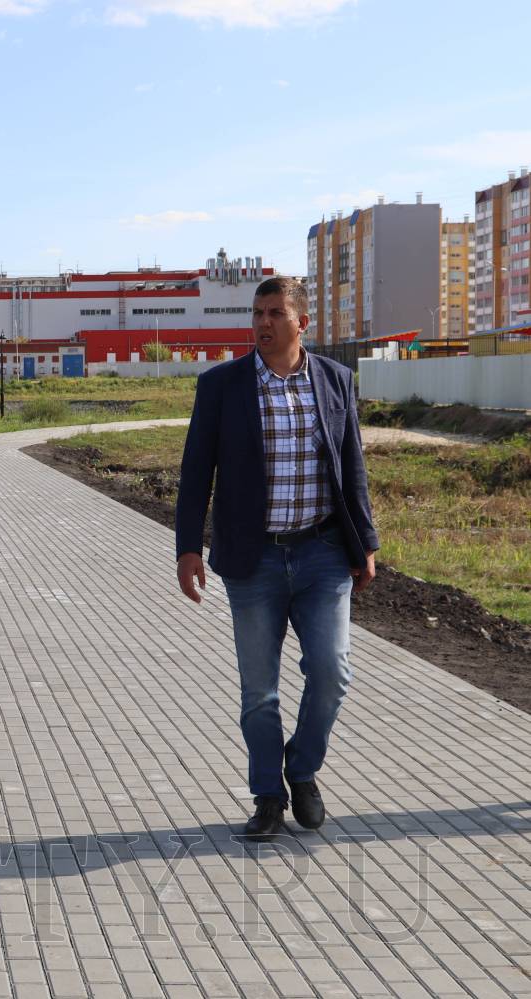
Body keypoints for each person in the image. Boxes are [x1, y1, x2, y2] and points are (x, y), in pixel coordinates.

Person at [175, 276, 378, 842]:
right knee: (259, 691)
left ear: (301, 323)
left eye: (275, 313)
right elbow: (196, 471)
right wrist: (188, 548)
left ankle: (302, 770)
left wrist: (365, 543)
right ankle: (268, 796)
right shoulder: (221, 385)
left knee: (332, 672)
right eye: (257, 313)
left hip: (323, 554)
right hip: (253, 560)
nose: (263, 323)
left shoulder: (335, 380)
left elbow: (352, 466)